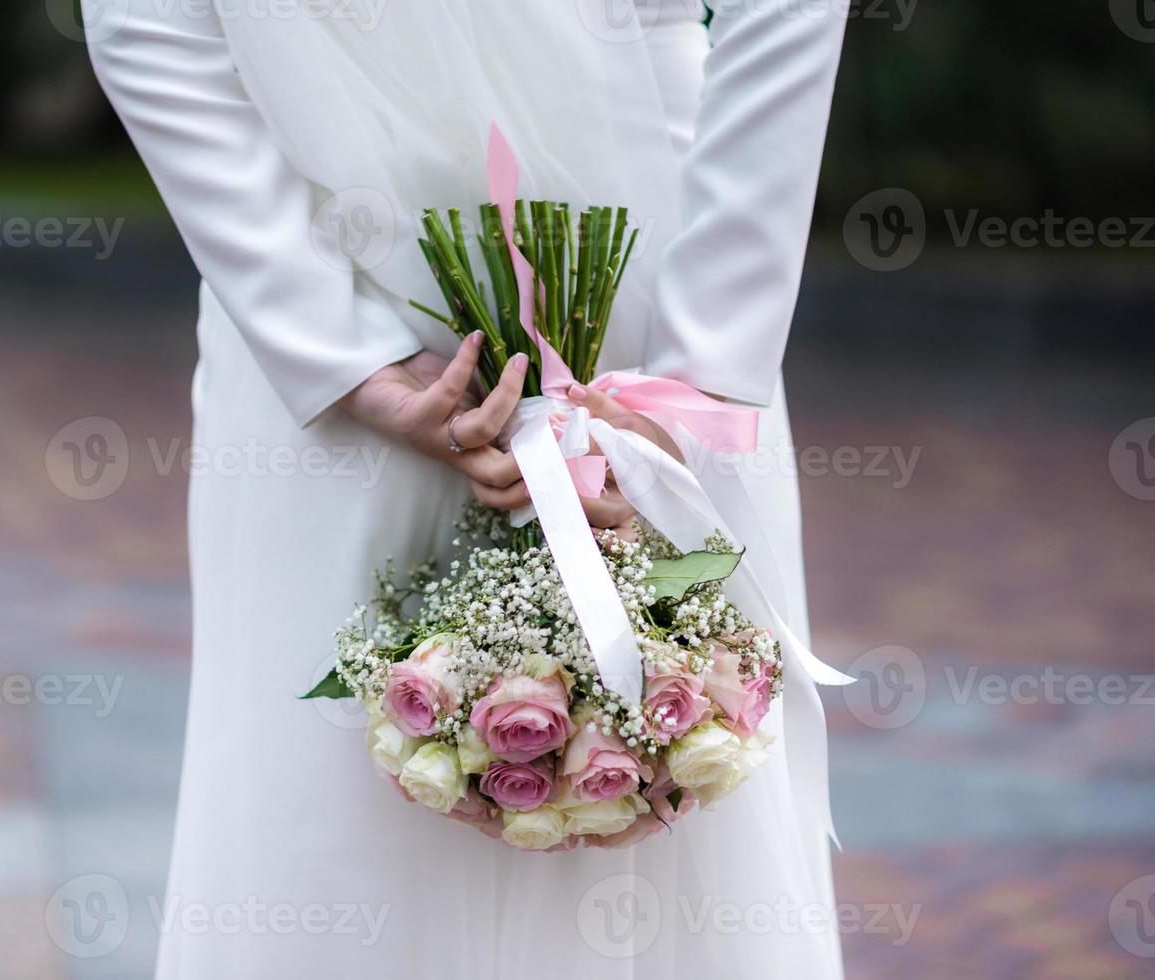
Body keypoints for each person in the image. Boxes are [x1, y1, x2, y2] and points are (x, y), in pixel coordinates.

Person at [85, 1, 848, 974]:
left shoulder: (684, 336)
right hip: (315, 273)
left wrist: (700, 370)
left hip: (650, 278)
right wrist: (339, 354)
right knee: (327, 814)